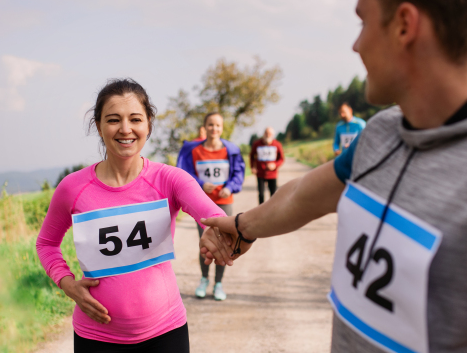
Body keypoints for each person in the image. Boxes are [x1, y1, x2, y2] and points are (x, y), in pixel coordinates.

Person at [200, 0, 467, 352]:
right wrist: (240, 228)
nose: (356, 45)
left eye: (363, 22)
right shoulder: (382, 132)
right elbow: (302, 195)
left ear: (405, 26)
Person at [35, 78, 230, 352]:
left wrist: (220, 229)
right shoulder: (72, 188)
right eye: (113, 119)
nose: (125, 129)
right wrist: (67, 283)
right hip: (96, 337)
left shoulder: (171, 179)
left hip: (166, 332)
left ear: (148, 123)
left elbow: (213, 215)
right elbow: (46, 243)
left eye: (135, 119)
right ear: (99, 125)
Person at [176, 112, 245, 301]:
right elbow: (185, 174)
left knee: (225, 243)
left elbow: (238, 173)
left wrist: (230, 187)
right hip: (202, 204)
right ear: (205, 127)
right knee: (206, 243)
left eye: (218, 126)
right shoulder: (194, 150)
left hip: (224, 204)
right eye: (210, 125)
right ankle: (204, 279)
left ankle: (218, 284)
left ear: (222, 128)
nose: (214, 129)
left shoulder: (230, 150)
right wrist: (200, 184)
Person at [250, 127, 284, 204]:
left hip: (272, 174)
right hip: (260, 173)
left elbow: (281, 159)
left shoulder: (277, 145)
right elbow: (252, 156)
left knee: (273, 194)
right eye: (266, 133)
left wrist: (275, 165)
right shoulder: (257, 144)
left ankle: (273, 211)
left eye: (270, 134)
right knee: (261, 195)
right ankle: (260, 212)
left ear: (272, 135)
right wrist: (252, 167)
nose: (268, 135)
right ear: (263, 134)